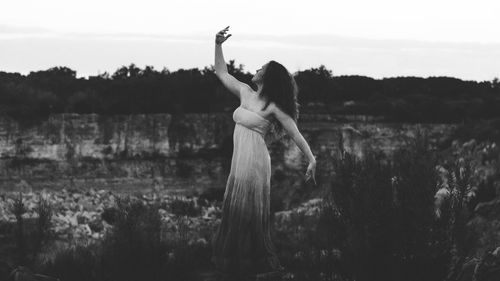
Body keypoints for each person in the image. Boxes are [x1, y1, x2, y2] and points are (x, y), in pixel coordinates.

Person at [210, 26, 317, 281]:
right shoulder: (245, 92)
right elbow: (221, 71)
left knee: (246, 210)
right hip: (239, 161)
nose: (256, 70)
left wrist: (312, 158)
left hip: (255, 161)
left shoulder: (273, 107)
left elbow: (296, 134)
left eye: (261, 68)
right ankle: (237, 266)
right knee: (235, 208)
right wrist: (217, 44)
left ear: (268, 78)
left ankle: (248, 267)